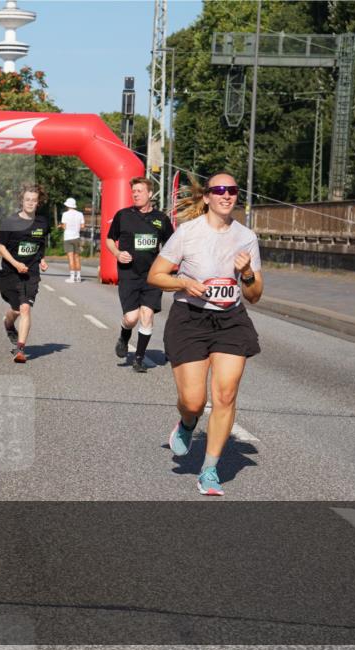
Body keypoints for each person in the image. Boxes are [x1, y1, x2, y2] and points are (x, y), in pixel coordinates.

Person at [147, 172, 263, 497]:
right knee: (193, 401)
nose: (227, 195)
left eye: (232, 190)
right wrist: (183, 282)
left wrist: (248, 273)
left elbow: (254, 295)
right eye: (219, 190)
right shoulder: (187, 233)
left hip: (230, 319)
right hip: (189, 319)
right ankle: (187, 423)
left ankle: (209, 469)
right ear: (207, 197)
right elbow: (156, 276)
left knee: (225, 395)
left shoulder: (246, 237)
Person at [105, 178, 174, 372]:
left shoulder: (161, 219)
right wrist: (118, 253)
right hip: (129, 275)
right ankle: (124, 335)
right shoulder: (123, 215)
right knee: (131, 318)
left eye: (139, 191)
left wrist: (169, 266)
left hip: (153, 275)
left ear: (150, 194)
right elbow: (110, 239)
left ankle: (139, 358)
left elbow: (171, 244)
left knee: (147, 314)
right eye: (133, 191)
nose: (135, 194)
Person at [0, 184, 50, 364]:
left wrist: (42, 259)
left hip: (31, 273)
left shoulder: (42, 222)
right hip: (10, 272)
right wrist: (16, 263)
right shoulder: (10, 222)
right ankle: (8, 323)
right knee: (16, 309)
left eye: (34, 200)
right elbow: (1, 247)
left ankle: (20, 349)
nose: (30, 203)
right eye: (27, 199)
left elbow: (40, 244)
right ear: (22, 201)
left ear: (38, 203)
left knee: (25, 308)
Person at [60, 197, 86, 283]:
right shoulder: (80, 214)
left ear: (67, 205)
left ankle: (72, 277)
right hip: (77, 237)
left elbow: (64, 226)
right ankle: (78, 277)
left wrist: (61, 226)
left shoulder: (65, 214)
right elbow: (82, 226)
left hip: (68, 237)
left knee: (70, 258)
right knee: (77, 257)